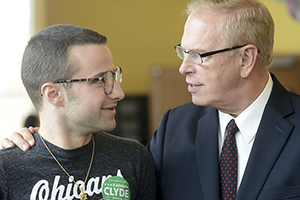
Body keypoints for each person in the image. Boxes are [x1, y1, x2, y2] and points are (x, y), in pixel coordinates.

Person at [2, 0, 300, 199]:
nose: (184, 67)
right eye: (183, 53)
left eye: (198, 55)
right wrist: (36, 144)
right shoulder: (175, 127)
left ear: (246, 59)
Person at [0, 24, 155, 200]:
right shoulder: (6, 171)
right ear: (53, 94)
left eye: (113, 76)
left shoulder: (133, 158)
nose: (119, 93)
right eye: (100, 80)